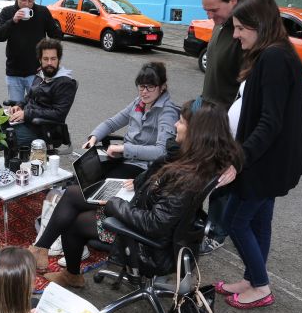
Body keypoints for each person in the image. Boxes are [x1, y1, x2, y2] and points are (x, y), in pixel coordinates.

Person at [32, 100, 244, 289]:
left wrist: (114, 204)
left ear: (197, 132)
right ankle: (42, 249)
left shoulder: (186, 177)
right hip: (143, 208)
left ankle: (69, 273)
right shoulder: (198, 158)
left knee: (76, 222)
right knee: (73, 193)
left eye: (180, 122)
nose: (174, 125)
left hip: (146, 241)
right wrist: (137, 184)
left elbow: (154, 224)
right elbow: (162, 167)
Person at [216, 0, 302, 310]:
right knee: (258, 222)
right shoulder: (274, 54)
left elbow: (271, 121)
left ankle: (261, 286)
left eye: (241, 28)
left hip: (264, 162)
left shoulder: (274, 58)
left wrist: (239, 160)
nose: (236, 34)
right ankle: (253, 278)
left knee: (235, 221)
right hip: (265, 160)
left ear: (260, 25)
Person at [199, 0, 246, 255]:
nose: (210, 16)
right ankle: (203, 221)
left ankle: (217, 231)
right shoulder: (220, 25)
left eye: (214, 10)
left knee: (220, 180)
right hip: (207, 112)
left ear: (234, 0)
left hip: (228, 121)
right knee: (201, 172)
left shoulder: (242, 32)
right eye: (206, 10)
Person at [81, 62, 179, 180]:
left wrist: (124, 148)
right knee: (85, 174)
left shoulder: (168, 112)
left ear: (162, 87)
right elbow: (112, 123)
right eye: (141, 86)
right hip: (124, 157)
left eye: (150, 87)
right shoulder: (138, 102)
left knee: (102, 184)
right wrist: (94, 138)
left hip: (143, 167)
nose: (144, 91)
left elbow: (161, 151)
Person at [0, 0, 63, 102]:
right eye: (23, 0)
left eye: (30, 1)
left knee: (37, 110)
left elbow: (57, 36)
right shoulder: (7, 12)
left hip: (36, 73)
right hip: (14, 72)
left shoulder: (42, 11)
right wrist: (13, 20)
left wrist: (47, 58)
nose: (27, 4)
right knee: (16, 111)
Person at [6, 38, 76, 147]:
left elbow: (59, 114)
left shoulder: (65, 83)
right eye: (46, 59)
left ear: (59, 60)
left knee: (1, 138)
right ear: (40, 60)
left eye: (53, 59)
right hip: (26, 122)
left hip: (43, 130)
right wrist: (19, 106)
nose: (49, 63)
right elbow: (29, 97)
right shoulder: (41, 74)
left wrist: (26, 113)